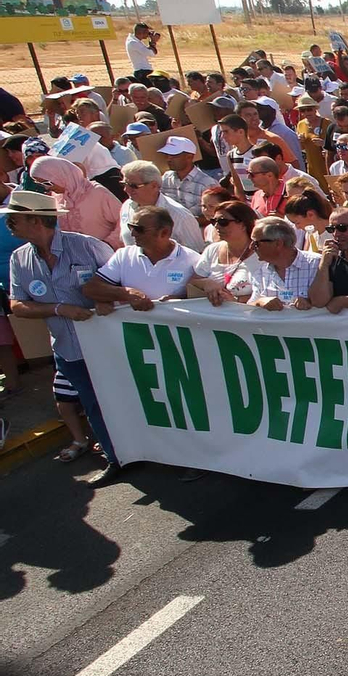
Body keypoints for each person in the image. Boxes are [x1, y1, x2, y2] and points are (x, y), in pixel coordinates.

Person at [4, 189, 120, 482]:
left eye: (15, 219)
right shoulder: (20, 259)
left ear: (35, 220)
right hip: (68, 349)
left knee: (123, 398)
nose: (10, 225)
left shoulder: (87, 247)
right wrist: (59, 308)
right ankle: (114, 456)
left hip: (109, 345)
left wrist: (108, 299)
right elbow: (17, 305)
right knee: (92, 404)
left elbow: (121, 283)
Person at [83, 204, 202, 311]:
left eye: (139, 229)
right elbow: (91, 288)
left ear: (164, 232)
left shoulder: (192, 260)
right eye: (131, 227)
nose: (133, 234)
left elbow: (203, 298)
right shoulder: (124, 256)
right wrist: (126, 293)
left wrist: (180, 299)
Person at [117, 161, 204, 251]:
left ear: (154, 185)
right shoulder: (126, 207)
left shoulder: (181, 216)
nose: (126, 189)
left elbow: (196, 254)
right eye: (124, 184)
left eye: (133, 186)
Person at [238, 216, 321, 309]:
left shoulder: (317, 265)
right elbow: (250, 308)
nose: (251, 247)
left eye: (256, 243)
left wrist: (310, 303)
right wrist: (260, 302)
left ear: (278, 244)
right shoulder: (260, 271)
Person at [194, 200, 261, 303]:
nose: (216, 226)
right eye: (213, 221)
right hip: (212, 315)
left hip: (246, 315)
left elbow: (269, 293)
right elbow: (193, 281)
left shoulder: (261, 254)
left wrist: (235, 300)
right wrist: (207, 283)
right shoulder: (212, 250)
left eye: (222, 222)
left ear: (243, 224)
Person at [156, 137, 209, 215]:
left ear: (189, 157)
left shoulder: (207, 183)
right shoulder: (166, 178)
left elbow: (214, 213)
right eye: (167, 155)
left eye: (174, 155)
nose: (168, 159)